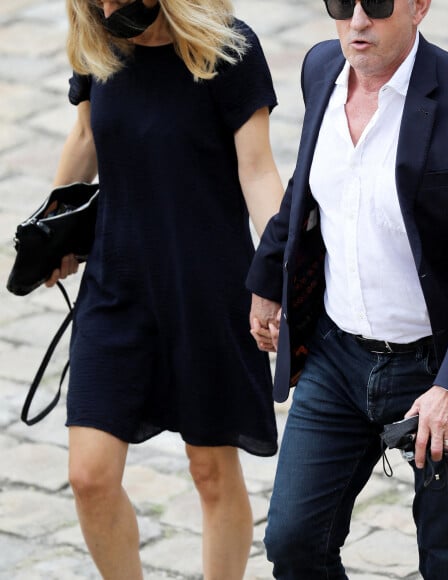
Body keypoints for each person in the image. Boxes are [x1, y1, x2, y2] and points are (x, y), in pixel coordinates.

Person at [247, 0, 448, 578]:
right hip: (336, 358)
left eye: (377, 5)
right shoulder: (320, 68)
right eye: (340, 3)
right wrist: (266, 281)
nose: (356, 22)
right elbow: (306, 191)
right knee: (294, 541)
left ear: (420, 5)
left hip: (437, 366)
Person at [45, 0, 284, 578]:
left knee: (210, 469)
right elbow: (85, 135)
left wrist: (280, 276)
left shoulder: (226, 50)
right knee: (89, 476)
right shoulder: (98, 40)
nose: (105, 7)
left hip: (205, 289)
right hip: (115, 287)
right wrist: (50, 228)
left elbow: (257, 171)